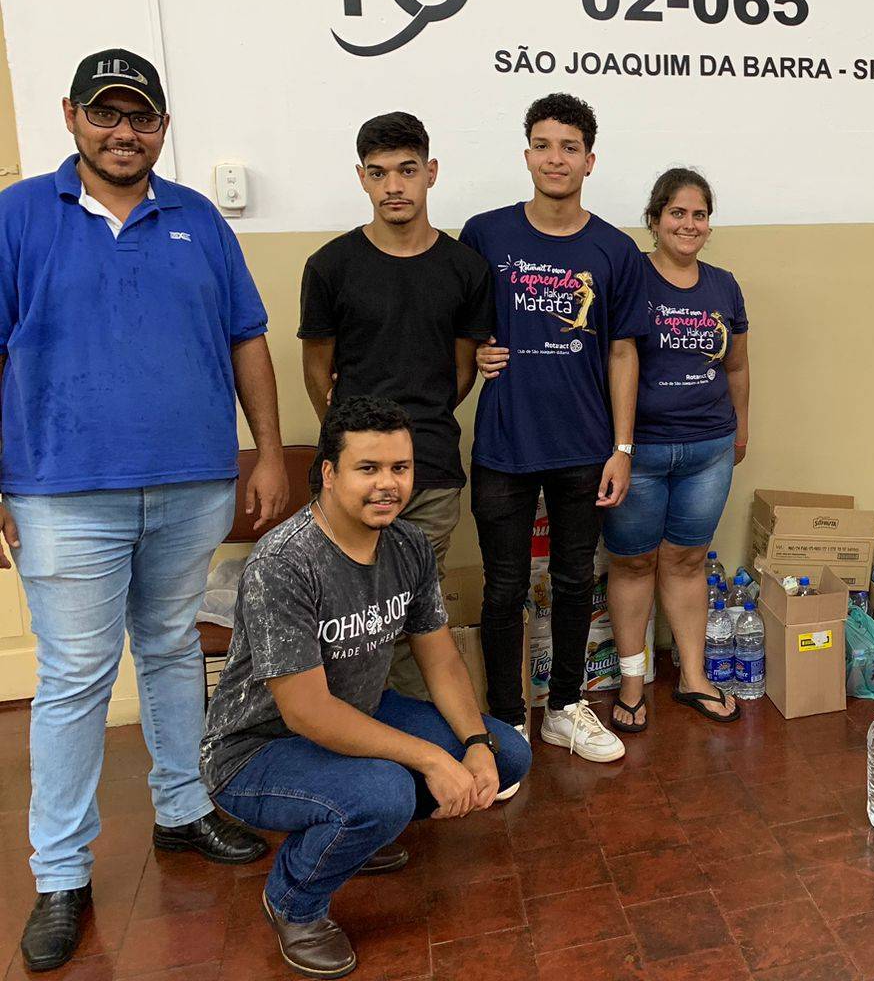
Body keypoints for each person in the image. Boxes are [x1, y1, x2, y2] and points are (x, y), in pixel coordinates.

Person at [0, 49, 288, 972]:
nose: (124, 133)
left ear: (163, 126)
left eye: (142, 117)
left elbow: (247, 337)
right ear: (71, 116)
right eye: (106, 114)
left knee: (169, 647)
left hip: (191, 483)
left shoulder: (198, 219)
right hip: (61, 491)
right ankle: (60, 875)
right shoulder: (18, 215)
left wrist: (268, 450)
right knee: (77, 678)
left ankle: (183, 809)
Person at [201, 397, 530, 978]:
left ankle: (354, 829)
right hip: (255, 749)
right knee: (386, 793)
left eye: (400, 468)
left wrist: (476, 742)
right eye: (368, 468)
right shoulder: (285, 563)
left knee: (509, 755)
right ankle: (294, 902)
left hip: (361, 711)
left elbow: (441, 660)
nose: (387, 485)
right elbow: (307, 713)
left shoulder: (408, 546)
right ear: (329, 474)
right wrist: (432, 759)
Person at [479, 168, 751, 730]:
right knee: (632, 563)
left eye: (699, 214)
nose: (688, 224)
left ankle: (693, 677)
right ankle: (631, 682)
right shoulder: (628, 268)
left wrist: (741, 429)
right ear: (654, 220)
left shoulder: (724, 285)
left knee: (688, 561)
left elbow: (738, 364)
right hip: (640, 452)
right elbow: (609, 351)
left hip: (708, 450)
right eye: (676, 213)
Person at [461, 93, 650, 763]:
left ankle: (565, 708)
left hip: (584, 446)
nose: (555, 158)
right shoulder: (485, 234)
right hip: (504, 443)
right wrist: (476, 353)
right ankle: (508, 720)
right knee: (504, 588)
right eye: (543, 145)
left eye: (570, 147)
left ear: (589, 161)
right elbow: (463, 327)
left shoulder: (615, 249)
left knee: (573, 583)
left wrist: (622, 448)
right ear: (527, 155)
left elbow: (623, 352)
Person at [299, 112, 494, 705]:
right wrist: (357, 442)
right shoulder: (330, 266)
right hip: (349, 474)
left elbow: (461, 372)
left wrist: (413, 429)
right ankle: (351, 734)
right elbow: (317, 369)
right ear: (361, 178)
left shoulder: (465, 268)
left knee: (412, 614)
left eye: (407, 171)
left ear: (430, 173)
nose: (394, 186)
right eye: (379, 173)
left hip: (430, 469)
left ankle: (414, 733)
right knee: (344, 616)